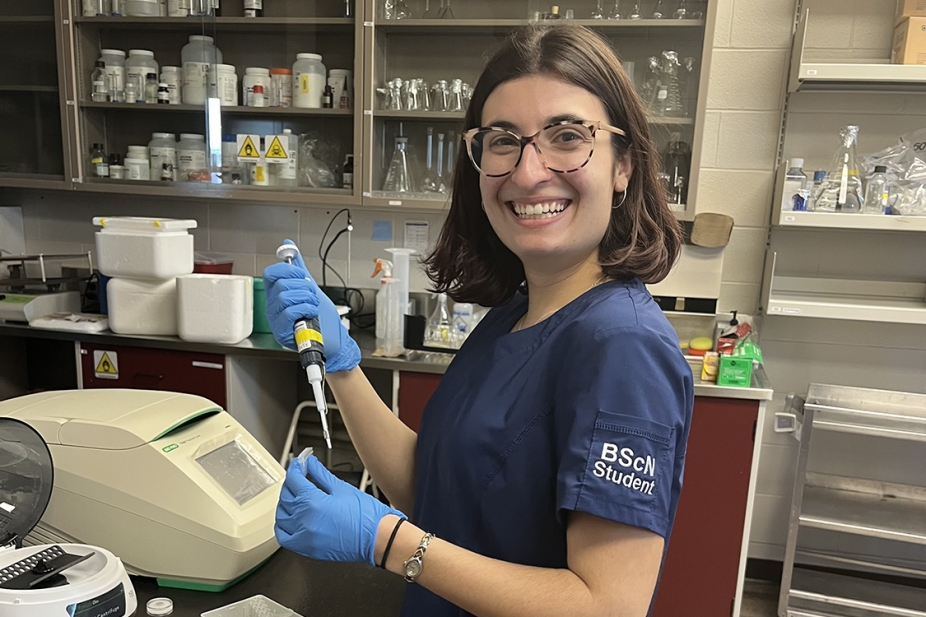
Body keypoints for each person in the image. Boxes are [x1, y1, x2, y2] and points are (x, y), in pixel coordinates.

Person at [264, 25, 693, 617]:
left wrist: (386, 541)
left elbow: (606, 605)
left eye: (567, 136)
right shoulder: (517, 312)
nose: (527, 172)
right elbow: (438, 490)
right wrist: (343, 367)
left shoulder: (622, 346)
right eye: (502, 141)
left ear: (624, 165)